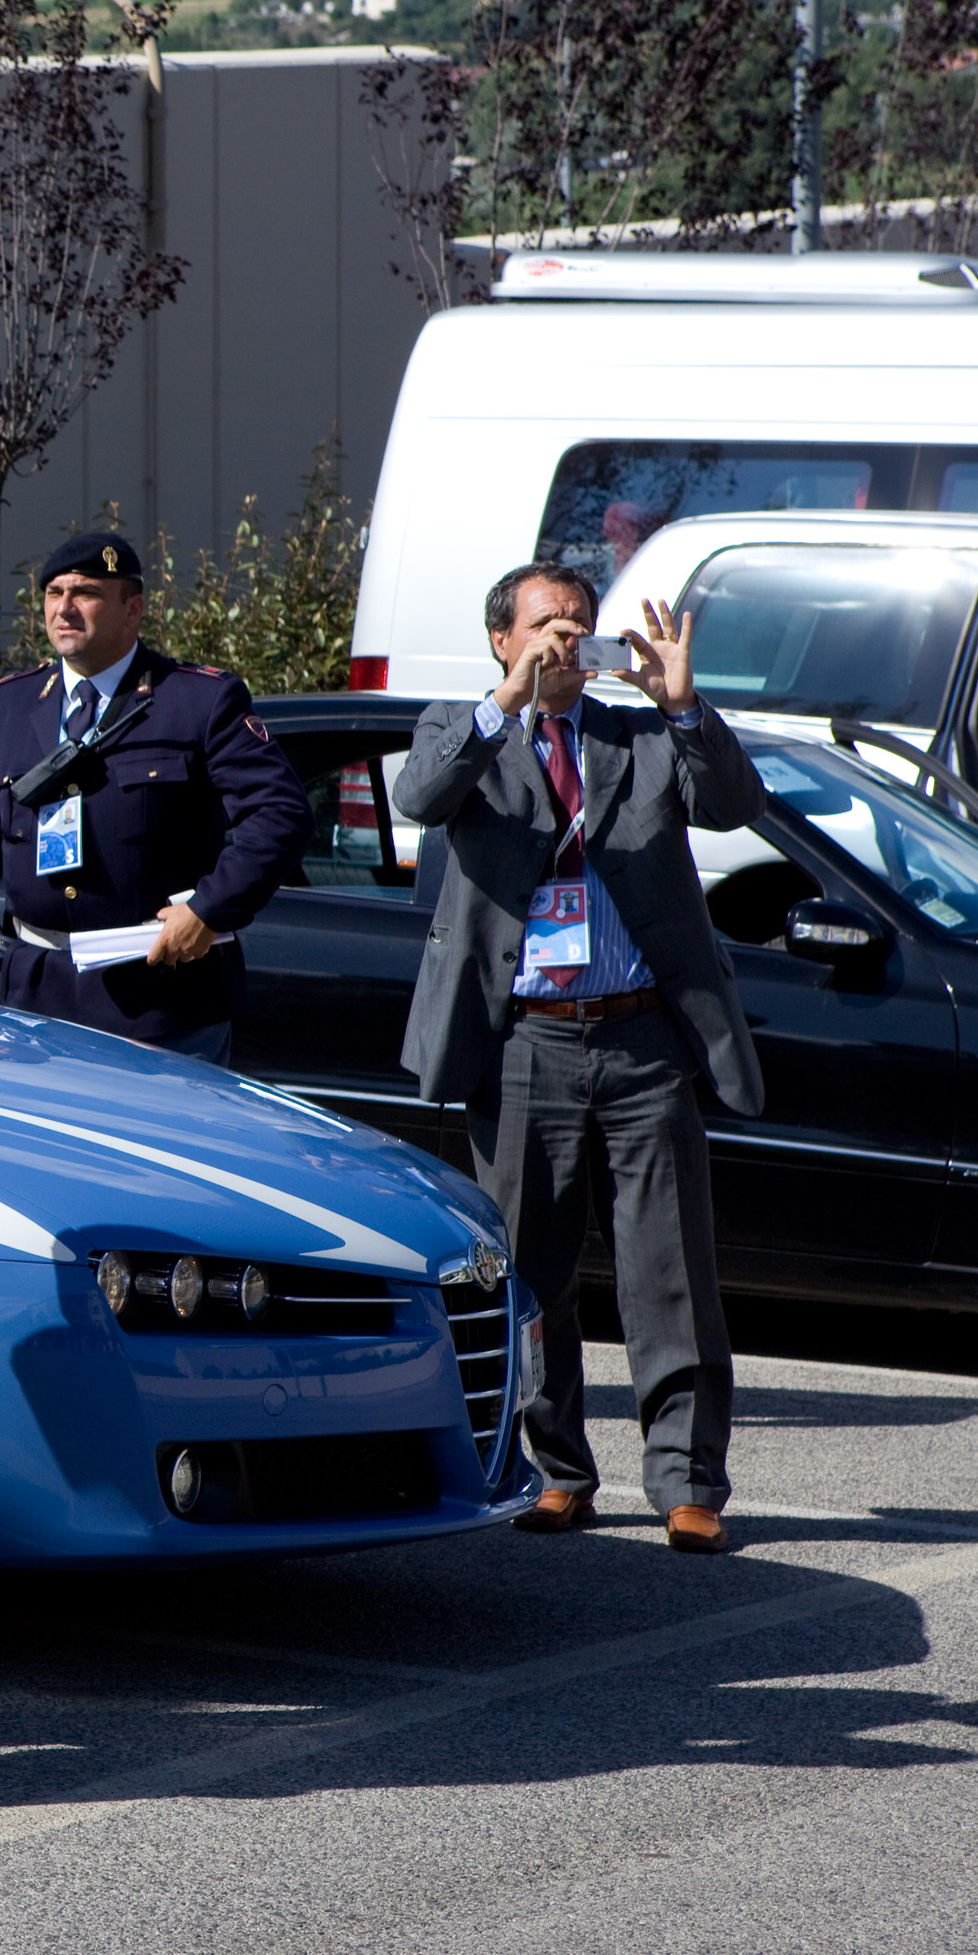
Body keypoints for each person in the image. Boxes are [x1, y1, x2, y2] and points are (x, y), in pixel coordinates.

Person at [397, 563, 761, 1555]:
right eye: (544, 624)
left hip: (642, 1036)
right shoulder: (463, 728)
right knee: (528, 1271)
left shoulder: (638, 735)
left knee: (669, 1267)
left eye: (579, 623)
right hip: (525, 1040)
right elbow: (420, 794)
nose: (565, 639)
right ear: (501, 639)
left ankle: (687, 1480)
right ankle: (553, 1468)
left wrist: (682, 707)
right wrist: (507, 702)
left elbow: (734, 803)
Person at [0, 533, 306, 1060]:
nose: (64, 608)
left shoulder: (197, 701)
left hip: (161, 1003)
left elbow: (281, 815)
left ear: (133, 609)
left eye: (85, 593)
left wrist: (208, 910)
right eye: (53, 593)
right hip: (36, 1002)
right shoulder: (6, 707)